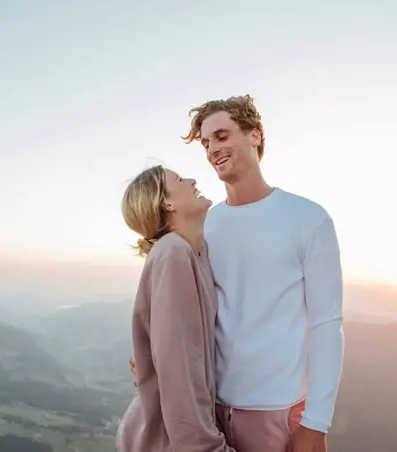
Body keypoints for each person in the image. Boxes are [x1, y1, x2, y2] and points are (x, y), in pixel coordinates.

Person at [130, 95, 344, 452]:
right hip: (210, 413)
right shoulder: (205, 226)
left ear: (255, 136)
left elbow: (327, 323)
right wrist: (158, 360)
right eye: (206, 143)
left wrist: (316, 423)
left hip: (277, 414)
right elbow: (184, 307)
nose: (213, 148)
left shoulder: (308, 219)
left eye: (222, 135)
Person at [115, 165, 235, 452]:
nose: (192, 180)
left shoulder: (196, 252)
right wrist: (207, 447)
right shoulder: (174, 253)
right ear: (167, 203)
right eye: (179, 180)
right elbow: (180, 367)